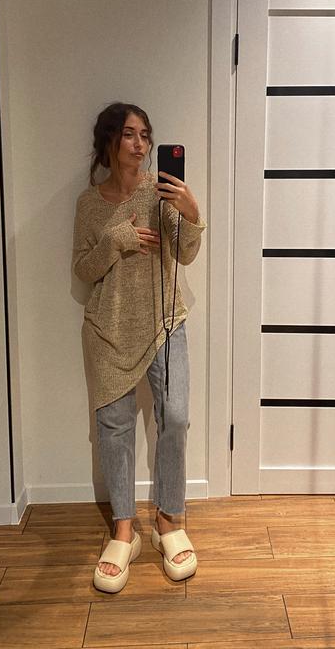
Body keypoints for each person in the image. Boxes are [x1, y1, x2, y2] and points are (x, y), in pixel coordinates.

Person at [72, 102, 206, 594]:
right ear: (109, 140)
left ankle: (169, 520)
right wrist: (117, 239)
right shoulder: (89, 204)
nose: (140, 144)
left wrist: (191, 213)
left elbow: (185, 253)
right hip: (108, 330)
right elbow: (83, 270)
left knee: (175, 417)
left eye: (146, 135)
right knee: (115, 429)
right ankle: (124, 530)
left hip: (164, 323)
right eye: (130, 134)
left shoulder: (160, 190)